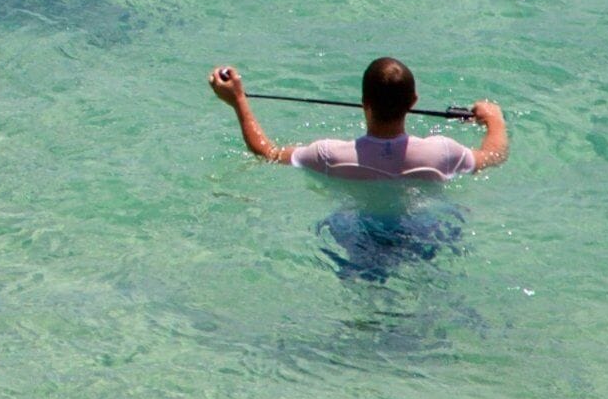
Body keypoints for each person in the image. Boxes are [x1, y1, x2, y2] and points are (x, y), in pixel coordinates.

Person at [212, 58, 506, 283]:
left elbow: (267, 152)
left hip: (359, 234)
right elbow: (493, 155)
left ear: (364, 104)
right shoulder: (442, 152)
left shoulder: (330, 155)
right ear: (413, 102)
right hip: (423, 230)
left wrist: (238, 100)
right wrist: (494, 118)